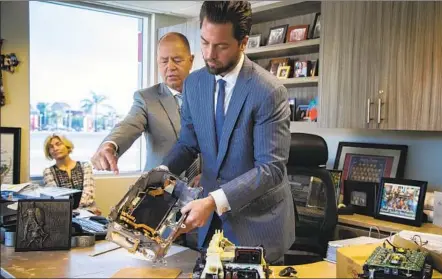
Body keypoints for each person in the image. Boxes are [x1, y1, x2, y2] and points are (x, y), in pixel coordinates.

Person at [158, 1, 295, 263]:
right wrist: (160, 175)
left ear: (243, 43)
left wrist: (211, 201)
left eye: (220, 46)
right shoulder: (194, 84)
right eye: (205, 42)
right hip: (211, 226)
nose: (209, 53)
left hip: (258, 225)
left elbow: (271, 169)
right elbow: (188, 143)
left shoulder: (268, 91)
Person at [90, 32, 195, 175]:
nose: (170, 66)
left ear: (191, 60)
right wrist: (109, 145)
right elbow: (129, 125)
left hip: (206, 190)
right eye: (164, 61)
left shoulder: (210, 94)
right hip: (161, 190)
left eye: (177, 60)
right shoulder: (146, 98)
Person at [42, 134, 100, 214]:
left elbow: (88, 193)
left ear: (67, 146)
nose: (55, 148)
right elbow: (55, 199)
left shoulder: (85, 166)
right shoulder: (48, 172)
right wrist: (71, 214)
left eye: (58, 144)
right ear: (49, 152)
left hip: (88, 212)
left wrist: (77, 212)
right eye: (51, 147)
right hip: (63, 214)